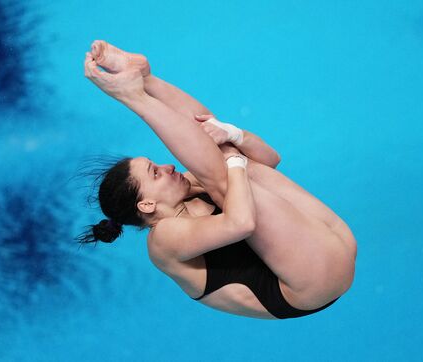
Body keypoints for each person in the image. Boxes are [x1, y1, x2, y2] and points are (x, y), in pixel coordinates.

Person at [76, 40, 357, 319]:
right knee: (224, 173)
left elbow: (270, 160)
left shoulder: (190, 188)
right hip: (313, 283)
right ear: (147, 205)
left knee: (229, 157)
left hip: (334, 242)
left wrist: (233, 136)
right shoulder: (163, 239)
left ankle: (146, 81)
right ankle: (133, 96)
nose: (168, 166)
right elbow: (241, 222)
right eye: (155, 172)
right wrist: (232, 159)